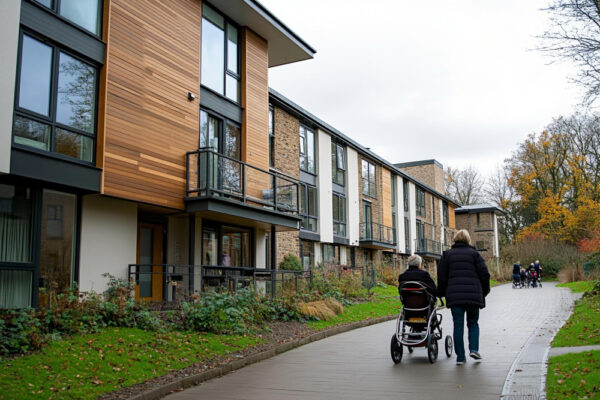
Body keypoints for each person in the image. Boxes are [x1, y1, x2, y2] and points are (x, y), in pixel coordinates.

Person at [438, 229, 490, 365]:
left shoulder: (447, 255)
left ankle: (460, 357)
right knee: (473, 323)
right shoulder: (475, 255)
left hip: (455, 296)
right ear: (468, 240)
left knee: (458, 325)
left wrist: (441, 293)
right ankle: (474, 349)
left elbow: (442, 277)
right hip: (473, 295)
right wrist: (484, 292)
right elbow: (485, 275)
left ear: (455, 239)